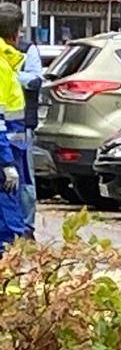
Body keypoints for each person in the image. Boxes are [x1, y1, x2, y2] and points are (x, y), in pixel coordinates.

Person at [0, 3, 28, 253]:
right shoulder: (1, 66)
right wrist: (7, 163)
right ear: (12, 34)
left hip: (12, 151)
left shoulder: (6, 64)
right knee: (7, 228)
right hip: (5, 155)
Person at [16, 28, 42, 238]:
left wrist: (11, 74)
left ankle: (27, 227)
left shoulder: (26, 49)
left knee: (24, 176)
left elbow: (34, 81)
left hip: (21, 125)